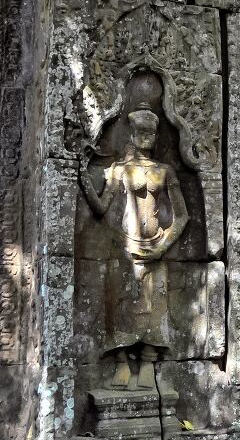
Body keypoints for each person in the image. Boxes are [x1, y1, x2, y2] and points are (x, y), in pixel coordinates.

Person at [79, 104, 189, 389]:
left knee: (154, 307)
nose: (145, 136)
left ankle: (149, 363)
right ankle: (122, 364)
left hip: (156, 247)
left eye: (150, 132)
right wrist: (82, 175)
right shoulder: (118, 170)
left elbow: (182, 216)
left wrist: (163, 247)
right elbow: (102, 207)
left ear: (155, 136)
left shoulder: (165, 172)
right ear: (131, 133)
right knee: (121, 306)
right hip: (125, 247)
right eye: (140, 131)